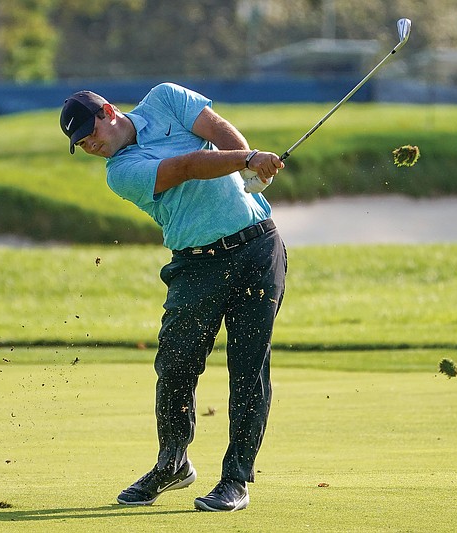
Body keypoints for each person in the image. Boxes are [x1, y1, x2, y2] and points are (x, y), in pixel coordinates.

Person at [59, 82, 287, 512]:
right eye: (81, 144)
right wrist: (247, 159)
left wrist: (249, 171)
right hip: (196, 264)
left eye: (90, 134)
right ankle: (172, 464)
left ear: (108, 111)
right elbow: (184, 167)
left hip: (258, 248)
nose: (90, 145)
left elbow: (219, 130)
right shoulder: (120, 173)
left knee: (248, 366)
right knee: (176, 366)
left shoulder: (166, 97)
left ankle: (235, 481)